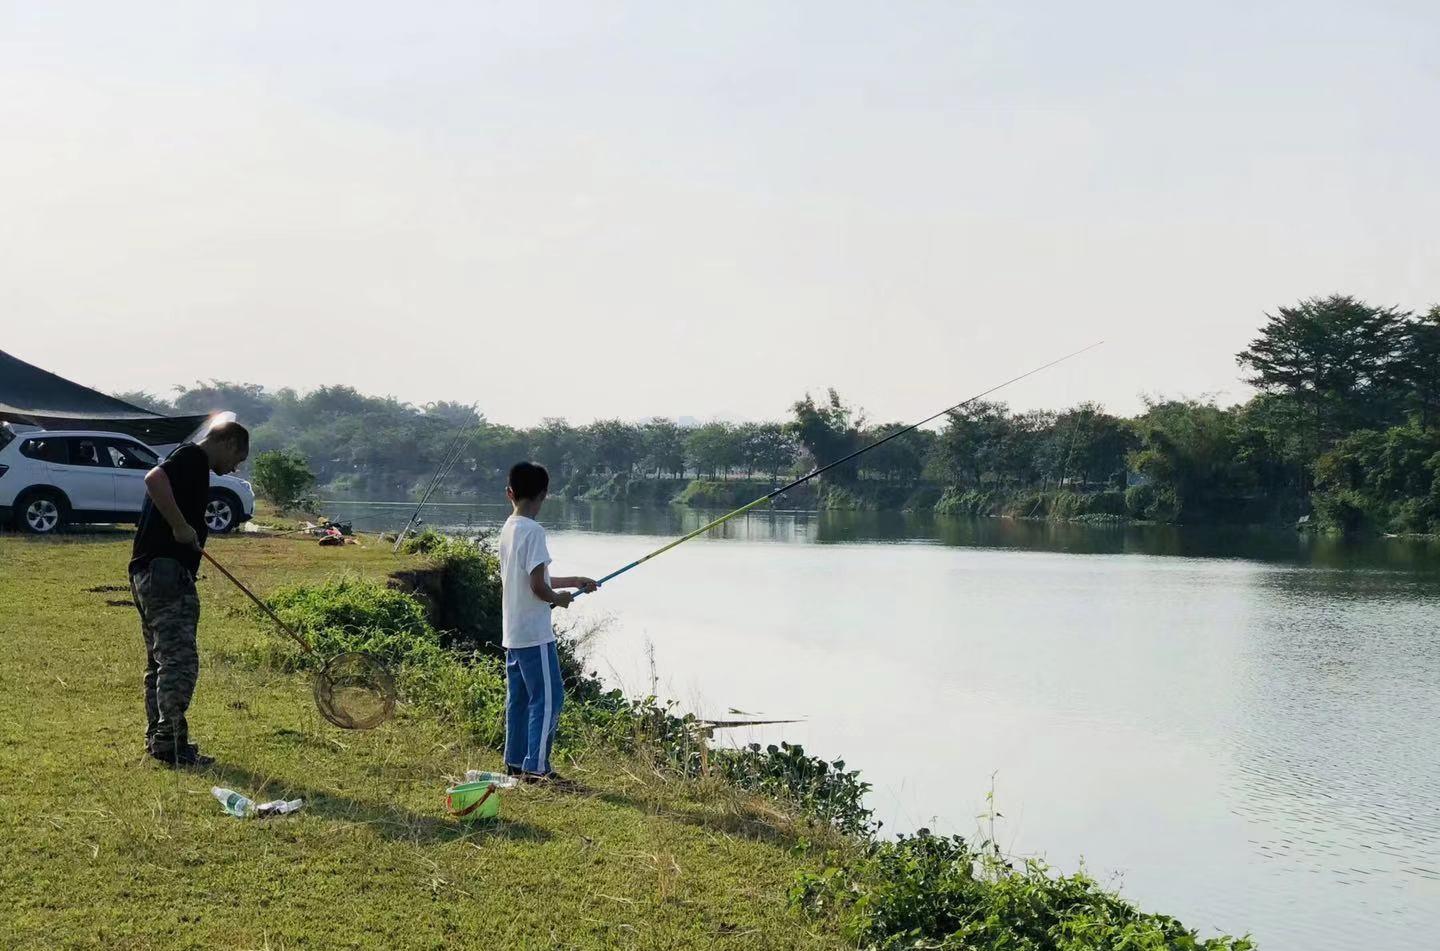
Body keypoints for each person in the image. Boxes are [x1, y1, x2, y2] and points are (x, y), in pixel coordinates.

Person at [128, 421, 250, 768]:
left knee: (160, 661)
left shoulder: (191, 463)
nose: (235, 468)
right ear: (226, 442)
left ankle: (160, 739)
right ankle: (172, 744)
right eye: (237, 457)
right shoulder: (193, 458)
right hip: (166, 573)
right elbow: (154, 479)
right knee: (180, 661)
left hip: (149, 572)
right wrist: (182, 526)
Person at [499, 461, 597, 783]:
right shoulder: (534, 531)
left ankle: (515, 762)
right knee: (550, 697)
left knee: (521, 699)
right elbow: (539, 587)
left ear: (509, 493)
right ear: (543, 495)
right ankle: (536, 769)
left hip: (513, 632)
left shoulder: (509, 528)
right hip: (534, 635)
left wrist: (574, 581)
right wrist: (560, 599)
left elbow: (537, 576)